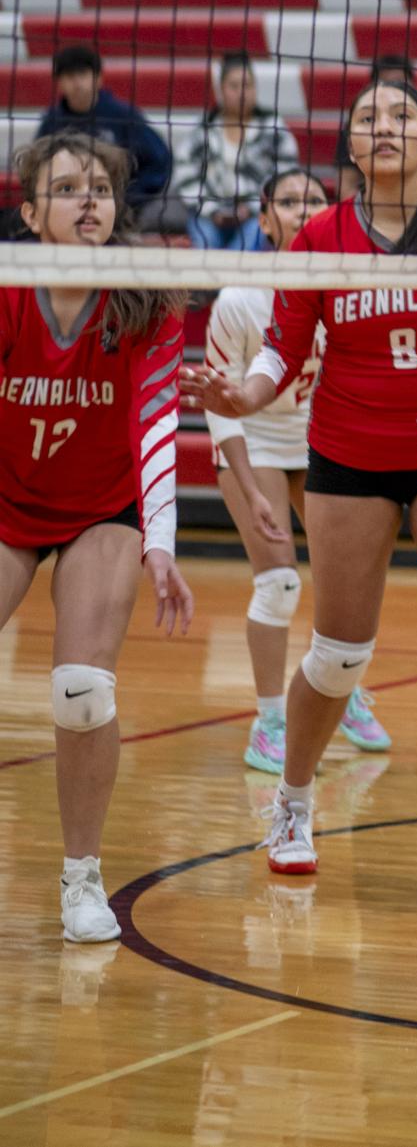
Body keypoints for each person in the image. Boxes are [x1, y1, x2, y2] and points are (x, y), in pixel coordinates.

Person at [182, 79, 417, 906]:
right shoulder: (318, 236)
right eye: (367, 119)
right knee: (339, 652)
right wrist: (241, 397)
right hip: (348, 453)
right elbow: (280, 351)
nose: (384, 127)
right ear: (350, 148)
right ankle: (293, 803)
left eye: (401, 116)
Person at [0, 132, 193, 942]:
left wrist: (160, 540)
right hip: (6, 501)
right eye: (69, 186)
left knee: (82, 689)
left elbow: (154, 423)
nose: (89, 200)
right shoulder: (8, 287)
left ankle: (82, 877)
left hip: (100, 510)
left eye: (102, 189)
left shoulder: (145, 293)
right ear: (31, 209)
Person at [202, 167, 394, 771]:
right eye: (289, 201)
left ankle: (342, 687)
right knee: (280, 583)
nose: (304, 208)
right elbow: (219, 408)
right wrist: (245, 482)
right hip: (249, 441)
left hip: (317, 442)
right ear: (264, 220)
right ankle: (269, 719)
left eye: (315, 199)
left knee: (347, 584)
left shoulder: (346, 288)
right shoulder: (237, 300)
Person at [170, 52, 300, 250]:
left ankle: (226, 282)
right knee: (207, 242)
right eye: (234, 86)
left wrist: (253, 207)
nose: (241, 92)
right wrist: (212, 210)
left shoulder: (274, 130)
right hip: (207, 214)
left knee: (250, 240)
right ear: (221, 89)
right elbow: (185, 173)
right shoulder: (203, 130)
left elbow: (285, 178)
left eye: (247, 85)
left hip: (257, 214)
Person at [36, 44, 172, 214]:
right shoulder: (52, 121)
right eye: (70, 76)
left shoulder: (123, 115)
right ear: (59, 83)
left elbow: (159, 161)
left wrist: (131, 197)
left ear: (99, 78)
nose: (77, 83)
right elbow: (38, 168)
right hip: (66, 208)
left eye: (83, 74)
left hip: (121, 210)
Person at [333, 54, 417, 185]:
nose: (384, 129)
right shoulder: (356, 124)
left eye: (400, 83)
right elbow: (346, 183)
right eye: (386, 83)